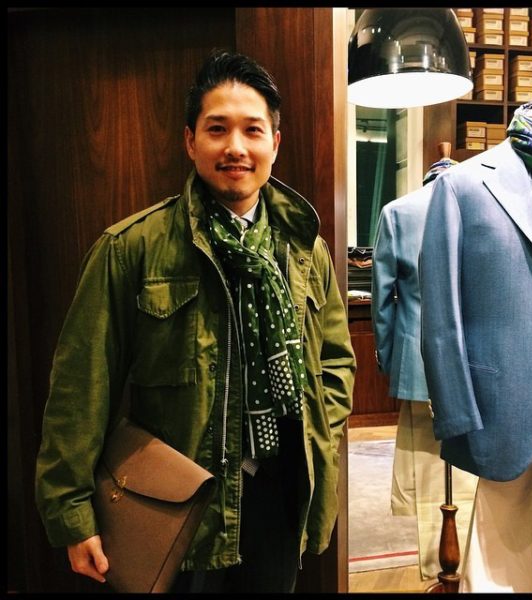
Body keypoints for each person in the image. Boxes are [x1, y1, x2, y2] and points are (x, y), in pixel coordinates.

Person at [34, 49, 356, 594]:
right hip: (177, 501)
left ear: (275, 143)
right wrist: (71, 512)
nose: (236, 147)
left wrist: (319, 428)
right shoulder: (132, 248)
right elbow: (80, 387)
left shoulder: (305, 251)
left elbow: (335, 360)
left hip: (281, 491)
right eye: (217, 129)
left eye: (252, 130)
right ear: (190, 141)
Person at [419, 100, 532, 592]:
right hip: (501, 413)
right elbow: (441, 316)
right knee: (498, 570)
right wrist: (456, 413)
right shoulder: (464, 185)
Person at [371, 147, 477, 581]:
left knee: (427, 461)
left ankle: (437, 566)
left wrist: (387, 355)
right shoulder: (483, 204)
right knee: (470, 467)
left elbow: (383, 299)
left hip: (417, 359)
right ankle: (465, 566)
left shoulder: (398, 212)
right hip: (474, 360)